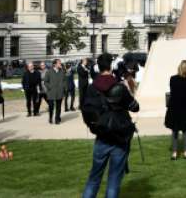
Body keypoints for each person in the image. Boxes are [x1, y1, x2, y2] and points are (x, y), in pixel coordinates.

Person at [82, 53, 139, 198]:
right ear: (112, 66)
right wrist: (129, 88)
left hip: (101, 136)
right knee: (113, 181)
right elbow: (135, 107)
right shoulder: (118, 86)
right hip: (118, 138)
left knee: (94, 178)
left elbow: (86, 110)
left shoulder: (91, 87)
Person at [165, 59, 186, 160]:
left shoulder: (173, 79)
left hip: (174, 107)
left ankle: (174, 153)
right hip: (185, 108)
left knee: (174, 131)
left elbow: (172, 90)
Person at [45, 59, 68, 124]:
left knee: (58, 107)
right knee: (51, 107)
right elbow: (45, 81)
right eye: (59, 63)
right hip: (51, 92)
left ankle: (57, 119)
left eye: (60, 63)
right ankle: (50, 117)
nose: (60, 64)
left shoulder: (62, 71)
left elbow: (64, 81)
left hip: (59, 92)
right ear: (54, 64)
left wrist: (65, 88)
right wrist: (49, 87)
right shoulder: (49, 72)